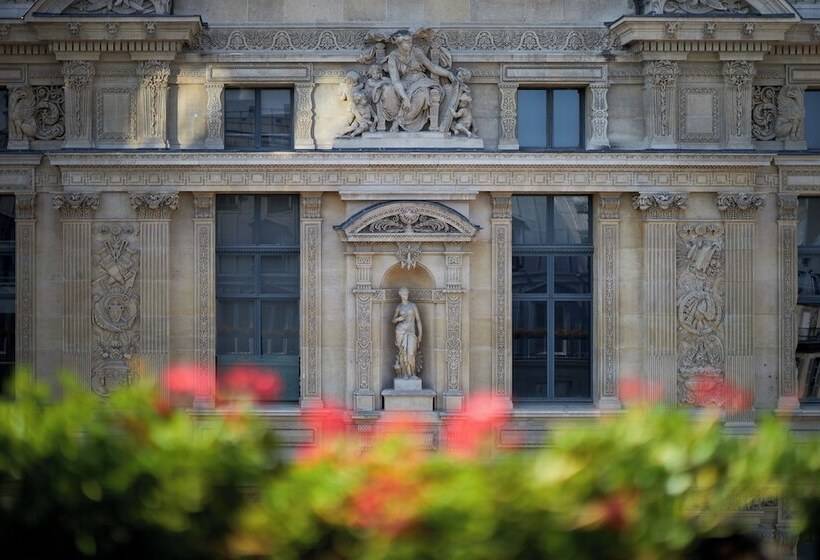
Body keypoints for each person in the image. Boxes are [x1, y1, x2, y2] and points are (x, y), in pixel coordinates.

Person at [392, 287, 423, 378]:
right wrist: (398, 319)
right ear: (400, 295)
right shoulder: (399, 307)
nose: (406, 296)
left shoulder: (413, 306)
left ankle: (413, 373)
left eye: (407, 294)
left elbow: (418, 320)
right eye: (404, 294)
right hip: (400, 331)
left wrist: (420, 334)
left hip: (411, 332)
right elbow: (393, 320)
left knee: (411, 353)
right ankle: (404, 373)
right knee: (402, 353)